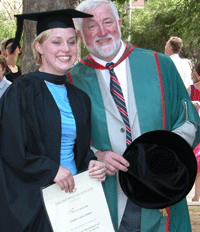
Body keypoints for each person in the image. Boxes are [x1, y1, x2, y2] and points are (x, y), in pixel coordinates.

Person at [66, 0, 200, 231]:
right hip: (106, 193)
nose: (102, 31)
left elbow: (188, 119)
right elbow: (65, 138)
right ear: (80, 34)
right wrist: (95, 155)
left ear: (118, 23)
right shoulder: (72, 80)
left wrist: (163, 153)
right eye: (91, 26)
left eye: (107, 22)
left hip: (161, 188)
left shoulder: (160, 65)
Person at [0, 9, 107, 232]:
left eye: (71, 42)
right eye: (56, 42)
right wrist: (51, 170)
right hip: (37, 203)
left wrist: (91, 163)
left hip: (74, 200)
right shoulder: (22, 92)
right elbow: (10, 148)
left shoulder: (80, 98)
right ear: (39, 46)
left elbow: (78, 148)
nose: (66, 49)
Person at [188, 61, 200, 202]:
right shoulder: (191, 89)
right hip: (195, 129)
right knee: (195, 161)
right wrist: (192, 104)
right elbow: (182, 104)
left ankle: (197, 195)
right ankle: (195, 194)